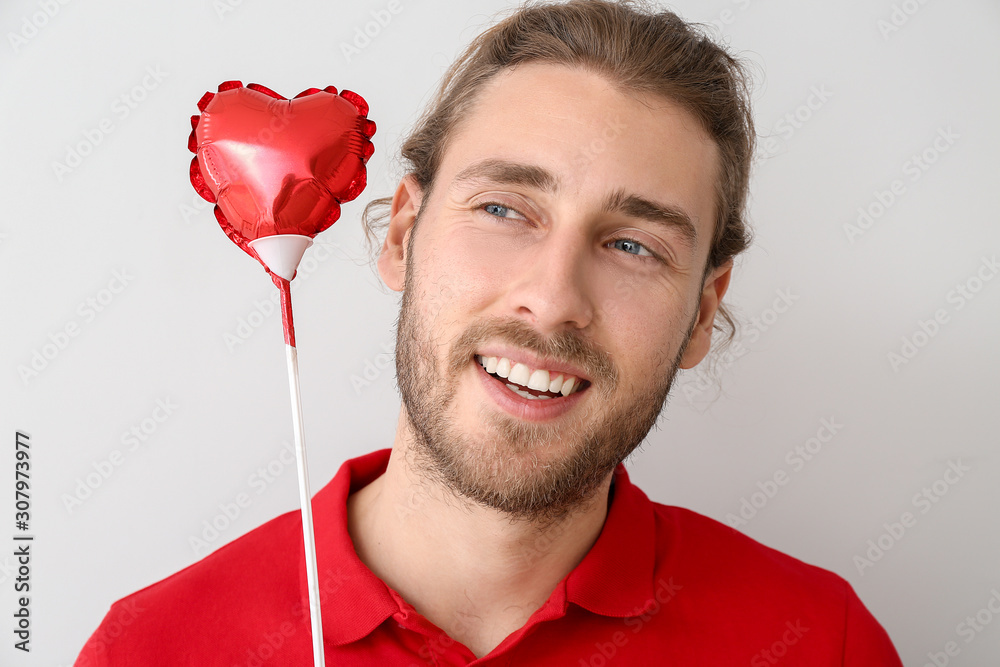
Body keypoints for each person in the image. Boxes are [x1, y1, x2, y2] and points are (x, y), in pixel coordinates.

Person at [76, 0, 904, 664]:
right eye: (505, 209)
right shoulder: (150, 649)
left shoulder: (821, 642)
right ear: (401, 234)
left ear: (700, 311)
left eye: (632, 245)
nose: (551, 300)